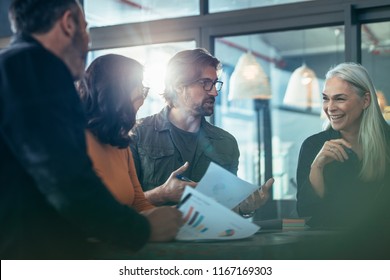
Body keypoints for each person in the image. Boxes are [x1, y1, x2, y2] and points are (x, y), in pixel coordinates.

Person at [0, 0, 181, 259]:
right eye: (86, 30)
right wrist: (142, 229)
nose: (88, 43)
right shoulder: (35, 65)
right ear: (68, 23)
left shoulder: (10, 64)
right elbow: (66, 179)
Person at [130, 48, 273, 215]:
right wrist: (161, 194)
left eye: (215, 83)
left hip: (209, 240)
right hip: (155, 238)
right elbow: (118, 207)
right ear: (179, 86)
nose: (215, 92)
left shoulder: (226, 143)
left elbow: (225, 209)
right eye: (205, 83)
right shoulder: (137, 134)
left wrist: (242, 206)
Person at [296, 62, 390, 228]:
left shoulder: (387, 141)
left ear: (366, 100)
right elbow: (306, 212)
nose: (330, 108)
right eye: (326, 99)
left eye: (339, 99)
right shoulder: (313, 145)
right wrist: (317, 166)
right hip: (334, 249)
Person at [77, 54, 156, 212]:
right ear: (117, 92)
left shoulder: (119, 141)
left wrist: (180, 217)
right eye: (138, 87)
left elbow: (139, 204)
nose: (142, 98)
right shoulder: (76, 142)